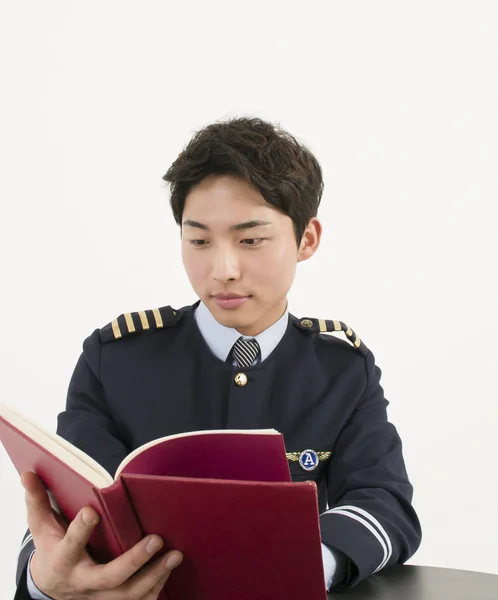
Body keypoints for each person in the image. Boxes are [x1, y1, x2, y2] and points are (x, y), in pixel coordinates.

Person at [14, 117, 422, 600]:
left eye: (251, 240)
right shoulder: (116, 359)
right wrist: (44, 581)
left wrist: (308, 562)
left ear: (306, 240)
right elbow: (70, 509)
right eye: (200, 240)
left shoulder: (339, 369)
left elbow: (383, 502)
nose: (222, 270)